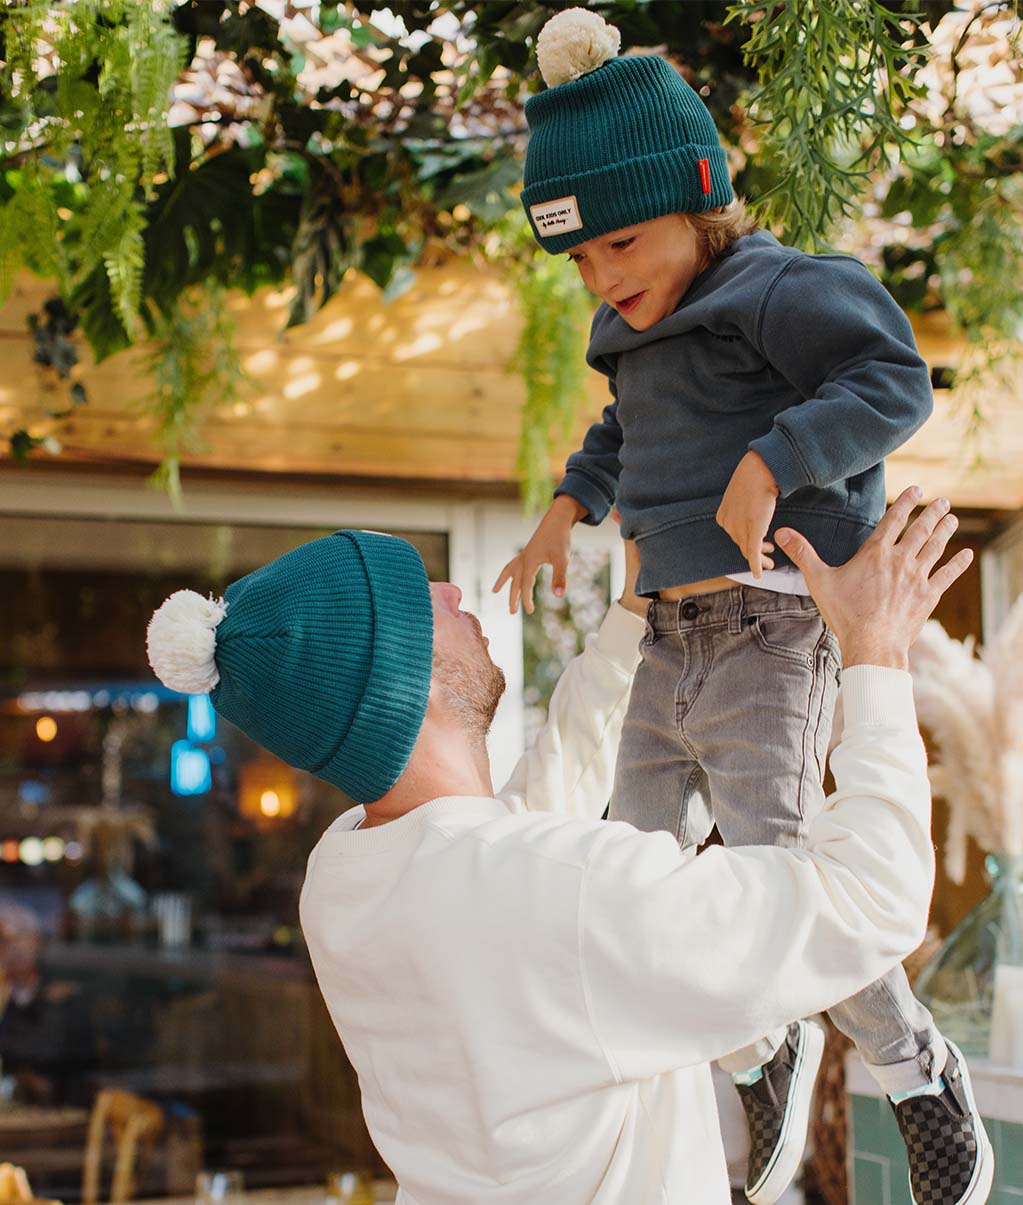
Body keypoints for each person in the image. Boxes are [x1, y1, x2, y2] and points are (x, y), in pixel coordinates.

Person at [146, 489, 987, 1205]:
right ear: (404, 681)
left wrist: (633, 618)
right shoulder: (556, 896)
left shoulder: (347, 873)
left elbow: (524, 818)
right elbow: (871, 899)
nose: (446, 586)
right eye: (419, 600)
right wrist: (875, 652)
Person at [493, 11, 981, 1202]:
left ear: (700, 195)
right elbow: (629, 427)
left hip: (772, 622)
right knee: (636, 867)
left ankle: (914, 1064)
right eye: (583, 262)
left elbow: (893, 378)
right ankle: (759, 1040)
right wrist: (572, 500)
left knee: (775, 859)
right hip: (670, 631)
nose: (606, 280)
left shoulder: (776, 288)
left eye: (624, 242)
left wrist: (779, 457)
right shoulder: (632, 329)